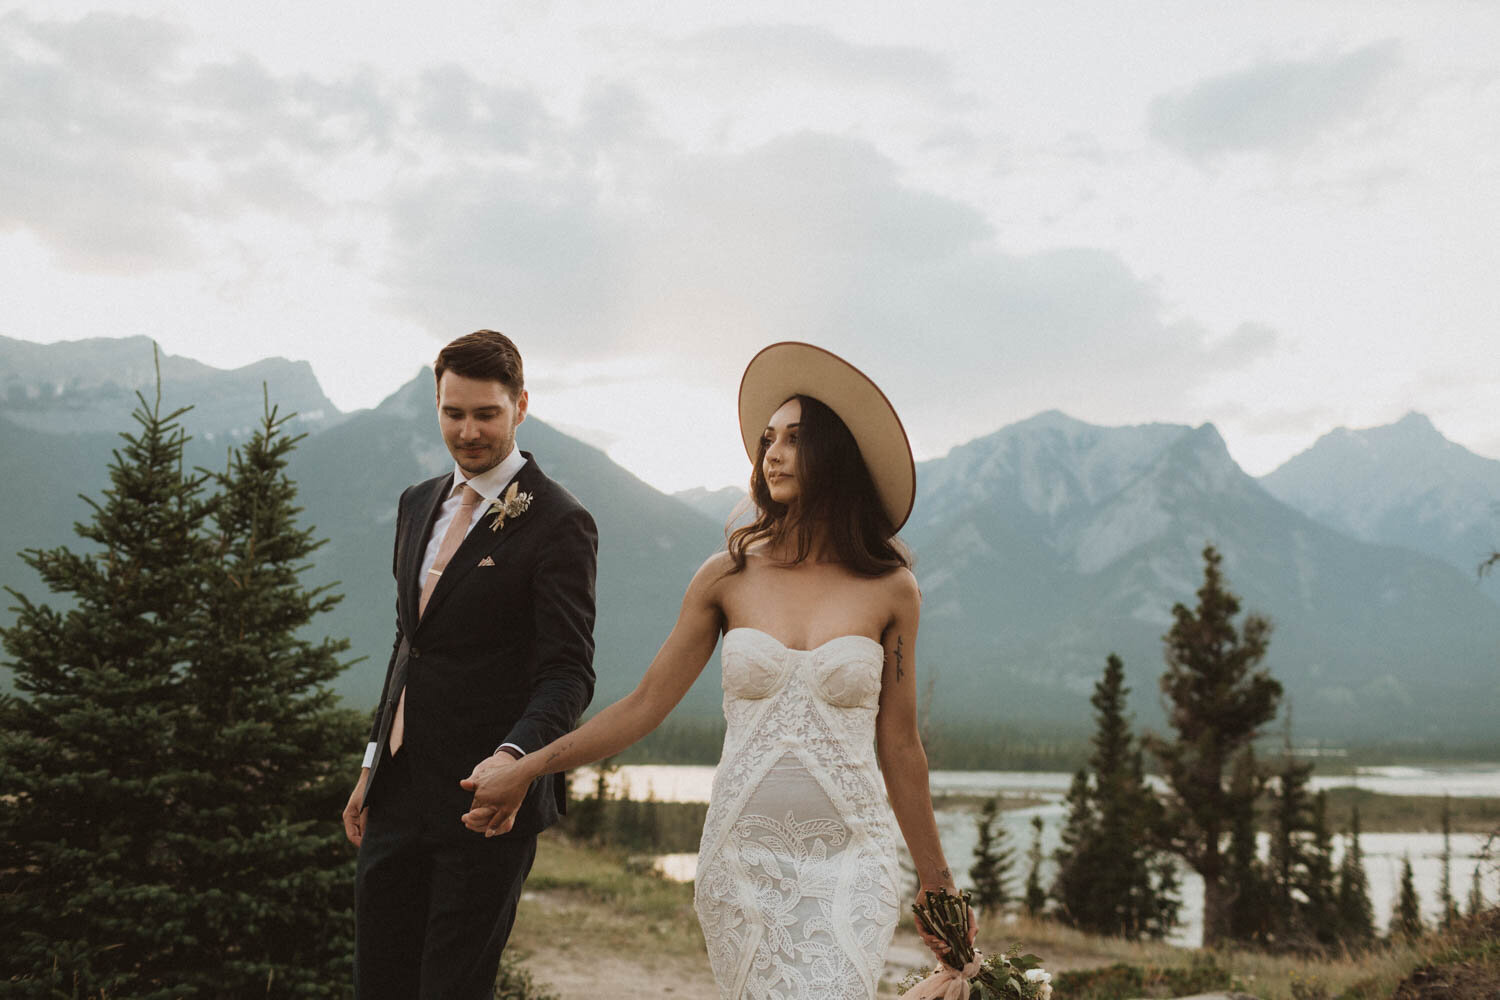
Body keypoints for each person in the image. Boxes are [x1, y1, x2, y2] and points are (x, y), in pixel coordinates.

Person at [461, 342, 967, 999]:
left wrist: (937, 884)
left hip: (853, 863)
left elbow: (901, 746)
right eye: (767, 440)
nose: (774, 453)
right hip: (742, 865)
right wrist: (526, 767)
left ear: (836, 455)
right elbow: (643, 706)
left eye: (795, 439)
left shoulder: (891, 588)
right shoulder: (725, 576)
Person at [341, 329, 598, 1000]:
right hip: (395, 794)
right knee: (381, 985)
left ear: (520, 406)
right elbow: (410, 645)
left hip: (483, 803)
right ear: (437, 404)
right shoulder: (416, 503)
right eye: (453, 412)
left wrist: (516, 759)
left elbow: (568, 673)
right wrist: (371, 765)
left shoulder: (561, 522)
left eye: (486, 413)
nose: (469, 431)